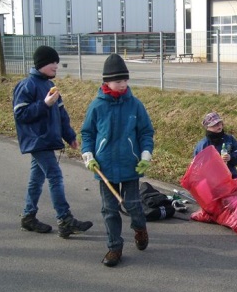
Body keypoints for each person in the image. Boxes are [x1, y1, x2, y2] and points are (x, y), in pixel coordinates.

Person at [80, 53, 154, 267]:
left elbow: (146, 132)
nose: (123, 85)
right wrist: (88, 155)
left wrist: (145, 154)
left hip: (130, 164)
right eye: (118, 81)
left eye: (125, 80)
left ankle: (140, 228)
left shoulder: (135, 105)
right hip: (105, 167)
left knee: (132, 205)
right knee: (109, 208)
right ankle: (114, 247)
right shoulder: (96, 106)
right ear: (106, 82)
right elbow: (87, 134)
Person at [13, 45, 93, 238]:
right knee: (55, 176)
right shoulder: (27, 85)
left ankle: (28, 216)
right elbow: (20, 114)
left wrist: (70, 136)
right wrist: (44, 104)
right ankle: (64, 219)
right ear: (41, 63)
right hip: (37, 141)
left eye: (57, 63)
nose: (56, 66)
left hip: (48, 141)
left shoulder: (50, 86)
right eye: (52, 62)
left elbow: (61, 114)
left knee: (37, 179)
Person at [194, 112, 237, 179]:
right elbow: (197, 166)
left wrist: (230, 157)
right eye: (214, 124)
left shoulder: (229, 139)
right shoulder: (203, 144)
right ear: (208, 127)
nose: (218, 126)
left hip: (231, 177)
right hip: (212, 181)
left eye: (219, 123)